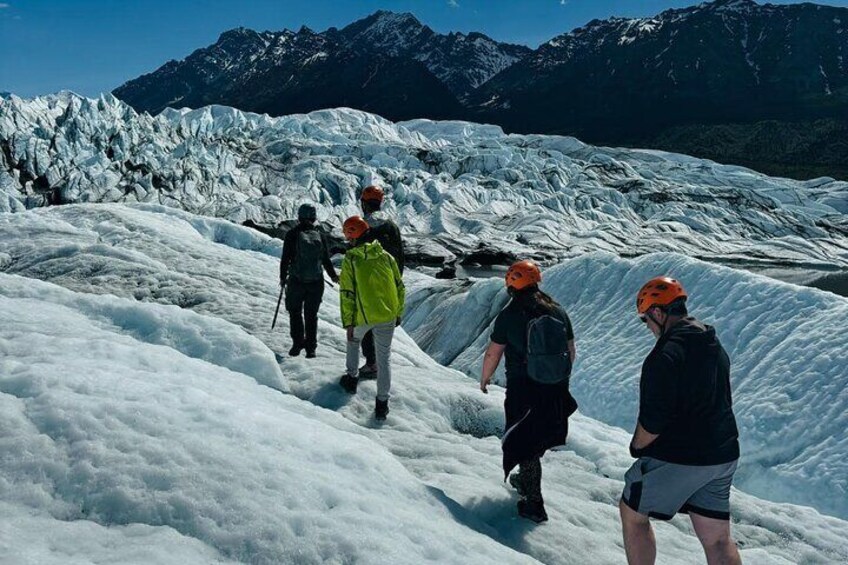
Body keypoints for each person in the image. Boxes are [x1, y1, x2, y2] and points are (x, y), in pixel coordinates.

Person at [620, 277, 741, 565]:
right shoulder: (711, 342)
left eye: (645, 319)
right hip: (723, 455)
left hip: (684, 456)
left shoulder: (664, 355)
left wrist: (637, 447)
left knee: (632, 512)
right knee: (717, 538)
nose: (647, 326)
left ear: (658, 313)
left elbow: (652, 421)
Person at [479, 260, 578, 523]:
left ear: (511, 285)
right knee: (539, 436)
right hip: (555, 387)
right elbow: (570, 350)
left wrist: (485, 378)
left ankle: (534, 503)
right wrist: (558, 377)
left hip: (524, 388)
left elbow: (494, 352)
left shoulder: (510, 314)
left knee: (525, 442)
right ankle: (525, 479)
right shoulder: (557, 310)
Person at [337, 215, 405, 421]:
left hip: (364, 317)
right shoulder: (386, 256)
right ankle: (382, 404)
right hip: (388, 315)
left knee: (353, 340)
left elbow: (347, 293)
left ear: (352, 235)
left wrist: (349, 322)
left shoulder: (351, 259)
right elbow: (399, 286)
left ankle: (351, 378)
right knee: (384, 360)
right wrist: (398, 312)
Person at [278, 203, 339, 358]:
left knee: (295, 313)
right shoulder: (320, 235)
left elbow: (285, 258)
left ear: (299, 217)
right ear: (313, 217)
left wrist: (282, 277)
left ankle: (297, 344)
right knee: (311, 315)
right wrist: (333, 276)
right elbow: (325, 259)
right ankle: (311, 348)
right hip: (316, 282)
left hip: (296, 281)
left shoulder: (292, 234)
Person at [357, 185, 405, 379]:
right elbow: (400, 257)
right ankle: (381, 363)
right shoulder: (391, 226)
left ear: (364, 203)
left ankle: (371, 363)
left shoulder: (362, 226)